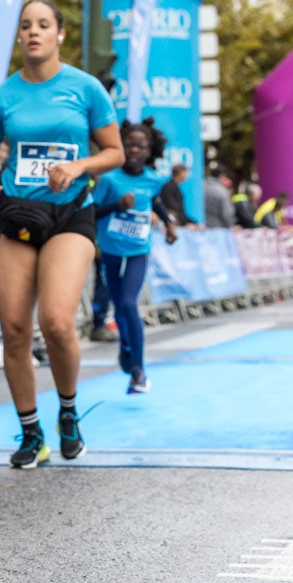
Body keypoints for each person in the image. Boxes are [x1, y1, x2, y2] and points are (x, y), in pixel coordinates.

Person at [0, 0, 122, 469]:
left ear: (60, 34)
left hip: (71, 214)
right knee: (15, 330)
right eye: (26, 25)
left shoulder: (85, 88)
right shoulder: (3, 97)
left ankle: (68, 411)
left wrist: (79, 165)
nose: (34, 32)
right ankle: (32, 432)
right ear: (19, 36)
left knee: (56, 322)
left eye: (44, 24)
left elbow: (114, 152)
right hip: (16, 214)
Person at [92, 117, 177, 394]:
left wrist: (169, 224)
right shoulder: (109, 178)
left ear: (150, 151)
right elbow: (91, 212)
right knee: (119, 306)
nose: (135, 150)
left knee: (129, 304)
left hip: (138, 250)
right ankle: (126, 344)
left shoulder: (153, 179)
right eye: (129, 144)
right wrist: (116, 206)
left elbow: (154, 201)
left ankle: (139, 371)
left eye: (141, 146)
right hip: (110, 250)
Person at [158, 163, 197, 228]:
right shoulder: (168, 187)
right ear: (180, 173)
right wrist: (185, 224)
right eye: (185, 172)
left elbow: (180, 211)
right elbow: (173, 208)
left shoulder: (176, 187)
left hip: (180, 221)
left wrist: (192, 222)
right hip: (173, 223)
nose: (187, 175)